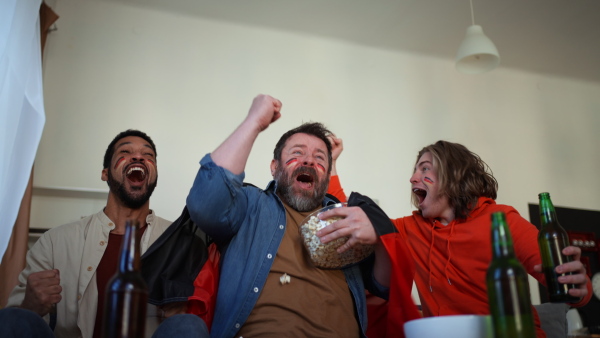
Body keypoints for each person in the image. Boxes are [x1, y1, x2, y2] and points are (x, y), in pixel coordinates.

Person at [186, 94, 409, 338]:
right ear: (274, 167)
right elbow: (205, 204)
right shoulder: (250, 205)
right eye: (297, 153)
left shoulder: (345, 217)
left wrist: (379, 238)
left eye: (319, 158)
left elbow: (385, 287)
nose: (308, 161)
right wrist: (254, 122)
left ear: (327, 177)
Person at [324, 139, 592, 338]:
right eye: (415, 170)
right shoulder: (410, 228)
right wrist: (332, 164)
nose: (412, 178)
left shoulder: (502, 220)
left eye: (425, 169)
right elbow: (347, 217)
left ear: (453, 175)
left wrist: (580, 288)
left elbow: (562, 278)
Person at [0, 130, 208, 338]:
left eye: (148, 155)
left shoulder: (183, 244)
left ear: (154, 175)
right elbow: (17, 324)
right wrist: (31, 305)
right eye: (126, 151)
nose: (138, 157)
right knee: (11, 318)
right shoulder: (55, 242)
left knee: (188, 325)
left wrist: (179, 313)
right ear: (105, 173)